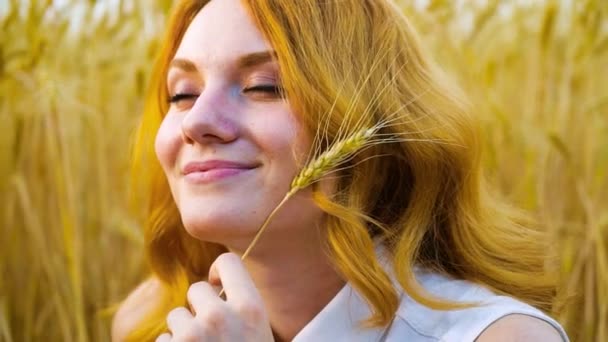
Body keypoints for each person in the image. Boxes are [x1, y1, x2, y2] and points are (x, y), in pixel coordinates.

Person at [112, 0, 569, 341]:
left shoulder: (498, 336)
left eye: (264, 86)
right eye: (182, 94)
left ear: (369, 121)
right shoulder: (148, 321)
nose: (197, 122)